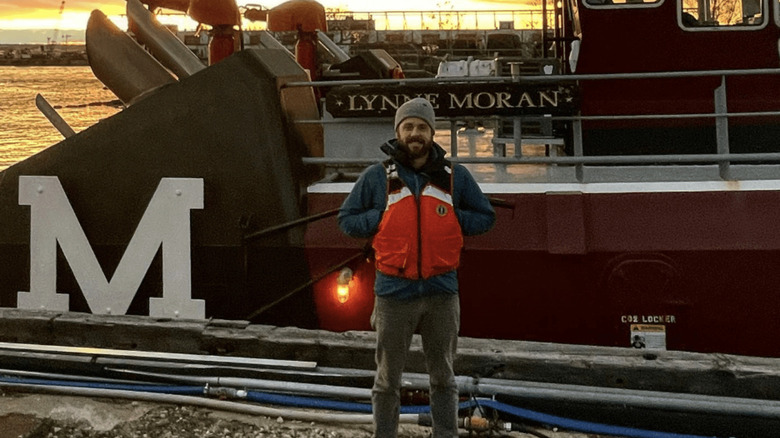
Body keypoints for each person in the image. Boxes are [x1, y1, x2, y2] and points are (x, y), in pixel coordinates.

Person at [337, 97, 496, 438]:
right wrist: (379, 218)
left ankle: (445, 434)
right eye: (408, 126)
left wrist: (454, 219)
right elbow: (346, 220)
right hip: (393, 294)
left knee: (444, 377)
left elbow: (486, 217)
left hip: (442, 293)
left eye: (421, 127)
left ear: (431, 134)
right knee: (386, 379)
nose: (415, 133)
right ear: (398, 132)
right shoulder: (376, 177)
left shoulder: (456, 177)